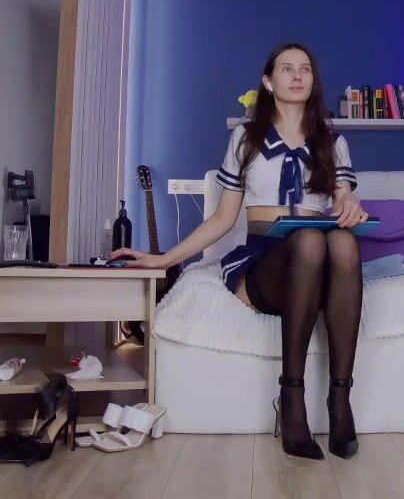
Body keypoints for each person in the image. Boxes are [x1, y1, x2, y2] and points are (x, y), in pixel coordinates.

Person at [112, 43, 368, 460]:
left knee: (340, 240)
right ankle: (292, 397)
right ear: (269, 81)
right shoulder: (245, 139)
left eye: (305, 69)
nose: (297, 75)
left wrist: (350, 205)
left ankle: (340, 399)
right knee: (308, 240)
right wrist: (165, 259)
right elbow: (222, 219)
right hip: (266, 261)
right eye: (287, 68)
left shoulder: (332, 142)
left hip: (319, 264)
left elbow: (343, 199)